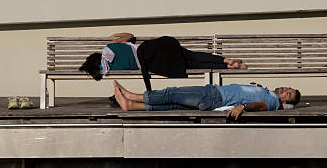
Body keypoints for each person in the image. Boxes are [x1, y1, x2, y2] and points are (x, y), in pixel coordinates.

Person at [79, 33, 247, 91]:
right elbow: (129, 35)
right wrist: (114, 38)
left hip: (155, 62)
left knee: (193, 65)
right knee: (193, 55)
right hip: (157, 47)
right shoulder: (110, 47)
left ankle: (226, 65)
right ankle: (225, 60)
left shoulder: (108, 69)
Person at [113, 80, 301, 119]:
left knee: (172, 93)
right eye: (288, 88)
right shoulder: (268, 92)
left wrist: (243, 106)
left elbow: (260, 105)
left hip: (214, 96)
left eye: (288, 94)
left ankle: (132, 96)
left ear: (286, 103)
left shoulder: (274, 102)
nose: (285, 90)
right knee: (172, 104)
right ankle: (131, 106)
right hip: (214, 99)